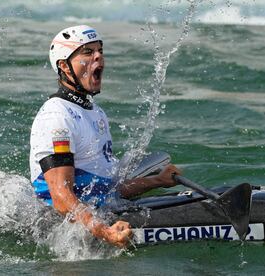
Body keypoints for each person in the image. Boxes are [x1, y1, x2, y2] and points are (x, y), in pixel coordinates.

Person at [29, 25, 181, 248]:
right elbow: (61, 198)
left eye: (99, 50)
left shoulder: (95, 112)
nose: (99, 56)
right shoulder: (57, 117)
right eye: (87, 52)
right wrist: (105, 232)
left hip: (99, 212)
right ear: (64, 66)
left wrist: (156, 181)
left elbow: (108, 190)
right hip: (60, 226)